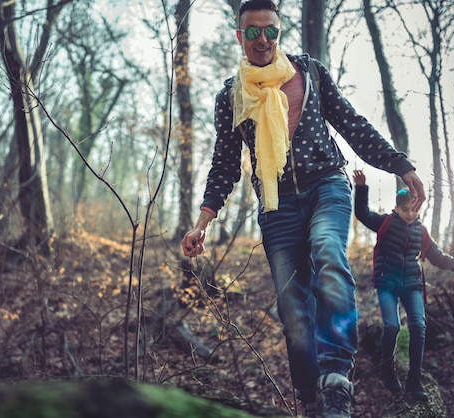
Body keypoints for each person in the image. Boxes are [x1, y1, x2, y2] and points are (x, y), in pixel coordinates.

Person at [181, 0, 426, 416]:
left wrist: (400, 166)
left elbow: (352, 124)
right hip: (276, 204)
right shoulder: (231, 96)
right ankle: (311, 400)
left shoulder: (308, 73)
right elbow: (224, 164)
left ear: (281, 31)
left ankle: (336, 379)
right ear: (240, 37)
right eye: (253, 32)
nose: (263, 40)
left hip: (327, 184)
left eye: (270, 31)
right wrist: (203, 220)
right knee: (293, 311)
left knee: (329, 252)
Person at [352, 169, 454, 402]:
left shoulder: (422, 232)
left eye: (414, 210)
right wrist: (362, 188)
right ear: (396, 209)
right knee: (392, 326)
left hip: (412, 285)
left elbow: (440, 258)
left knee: (418, 326)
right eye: (405, 210)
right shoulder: (385, 223)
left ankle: (415, 380)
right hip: (387, 283)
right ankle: (387, 367)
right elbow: (362, 213)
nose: (410, 214)